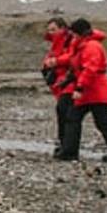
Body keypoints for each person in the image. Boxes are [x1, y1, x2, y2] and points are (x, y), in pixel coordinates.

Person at [56, 19, 107, 162]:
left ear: (79, 33)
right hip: (92, 90)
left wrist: (79, 87)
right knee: (81, 119)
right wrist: (68, 80)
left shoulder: (91, 47)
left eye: (74, 34)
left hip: (94, 90)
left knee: (97, 121)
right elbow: (77, 66)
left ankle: (70, 152)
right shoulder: (84, 45)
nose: (73, 37)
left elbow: (90, 69)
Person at [42, 17, 77, 158]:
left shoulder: (71, 40)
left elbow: (73, 56)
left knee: (66, 114)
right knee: (65, 114)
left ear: (63, 28)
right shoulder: (56, 43)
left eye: (54, 30)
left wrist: (56, 61)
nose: (51, 33)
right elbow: (51, 57)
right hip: (61, 84)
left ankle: (67, 149)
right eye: (49, 30)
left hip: (71, 82)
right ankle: (65, 147)